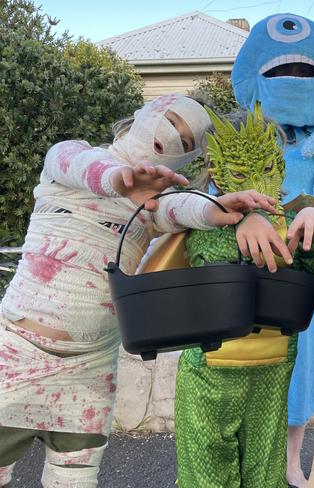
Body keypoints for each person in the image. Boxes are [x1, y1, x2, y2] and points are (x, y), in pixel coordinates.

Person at [0, 94, 275, 488]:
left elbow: (178, 209)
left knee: (75, 479)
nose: (174, 139)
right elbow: (86, 168)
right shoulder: (70, 155)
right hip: (16, 357)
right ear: (141, 117)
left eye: (187, 139)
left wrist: (217, 209)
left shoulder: (151, 204)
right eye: (171, 122)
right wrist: (121, 181)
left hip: (90, 369)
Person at [229, 13, 314, 487]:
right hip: (254, 266)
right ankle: (250, 458)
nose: (293, 80)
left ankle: (291, 459)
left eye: (306, 72)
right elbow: (221, 196)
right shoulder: (244, 138)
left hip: (313, 272)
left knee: (306, 365)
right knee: (251, 357)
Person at [174, 105, 314, 488]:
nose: (257, 185)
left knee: (265, 476)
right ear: (216, 172)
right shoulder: (200, 218)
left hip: (272, 371)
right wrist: (242, 220)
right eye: (241, 173)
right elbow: (208, 258)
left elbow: (308, 282)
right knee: (206, 477)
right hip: (210, 377)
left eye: (266, 169)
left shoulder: (292, 216)